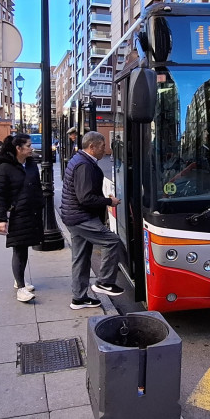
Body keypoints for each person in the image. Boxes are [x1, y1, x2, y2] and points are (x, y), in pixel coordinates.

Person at [60, 130, 124, 309]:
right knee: (112, 241)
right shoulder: (85, 165)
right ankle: (105, 282)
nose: (106, 149)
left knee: (80, 258)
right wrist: (108, 201)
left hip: (73, 216)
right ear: (92, 147)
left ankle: (79, 298)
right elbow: (85, 198)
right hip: (81, 217)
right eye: (103, 146)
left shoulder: (80, 160)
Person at [0, 134, 43, 303]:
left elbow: (36, 186)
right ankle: (21, 288)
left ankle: (19, 280)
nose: (31, 148)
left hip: (32, 213)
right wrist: (1, 218)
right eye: (28, 145)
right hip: (16, 215)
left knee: (25, 247)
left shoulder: (30, 164)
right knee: (19, 249)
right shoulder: (4, 167)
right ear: (18, 149)